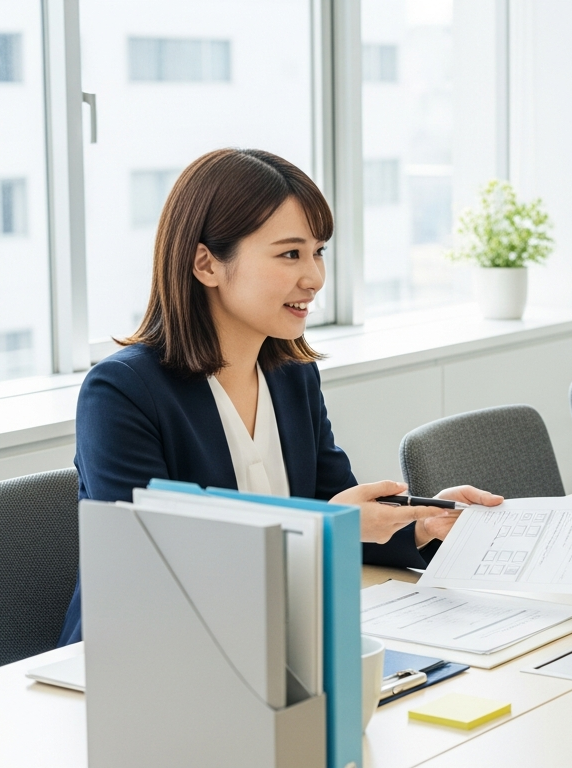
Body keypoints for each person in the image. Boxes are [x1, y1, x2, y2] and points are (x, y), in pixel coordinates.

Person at [58, 148, 503, 646]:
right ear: (205, 263)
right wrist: (334, 526)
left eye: (319, 252)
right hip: (146, 655)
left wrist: (418, 524)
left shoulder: (293, 376)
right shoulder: (122, 392)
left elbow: (335, 514)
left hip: (268, 637)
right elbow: (157, 565)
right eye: (290, 253)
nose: (314, 277)